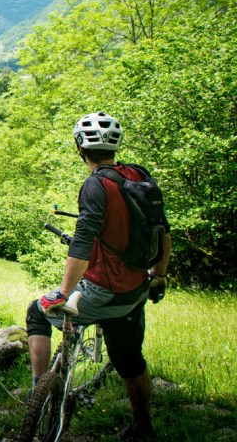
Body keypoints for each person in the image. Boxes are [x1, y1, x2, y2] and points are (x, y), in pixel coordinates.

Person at [25, 112, 172, 441]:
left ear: (80, 148)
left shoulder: (95, 185)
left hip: (102, 291)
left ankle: (39, 394)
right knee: (131, 361)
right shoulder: (139, 176)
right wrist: (159, 276)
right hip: (135, 291)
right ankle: (142, 427)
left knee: (37, 311)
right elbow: (163, 231)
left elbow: (82, 242)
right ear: (115, 146)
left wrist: (63, 292)